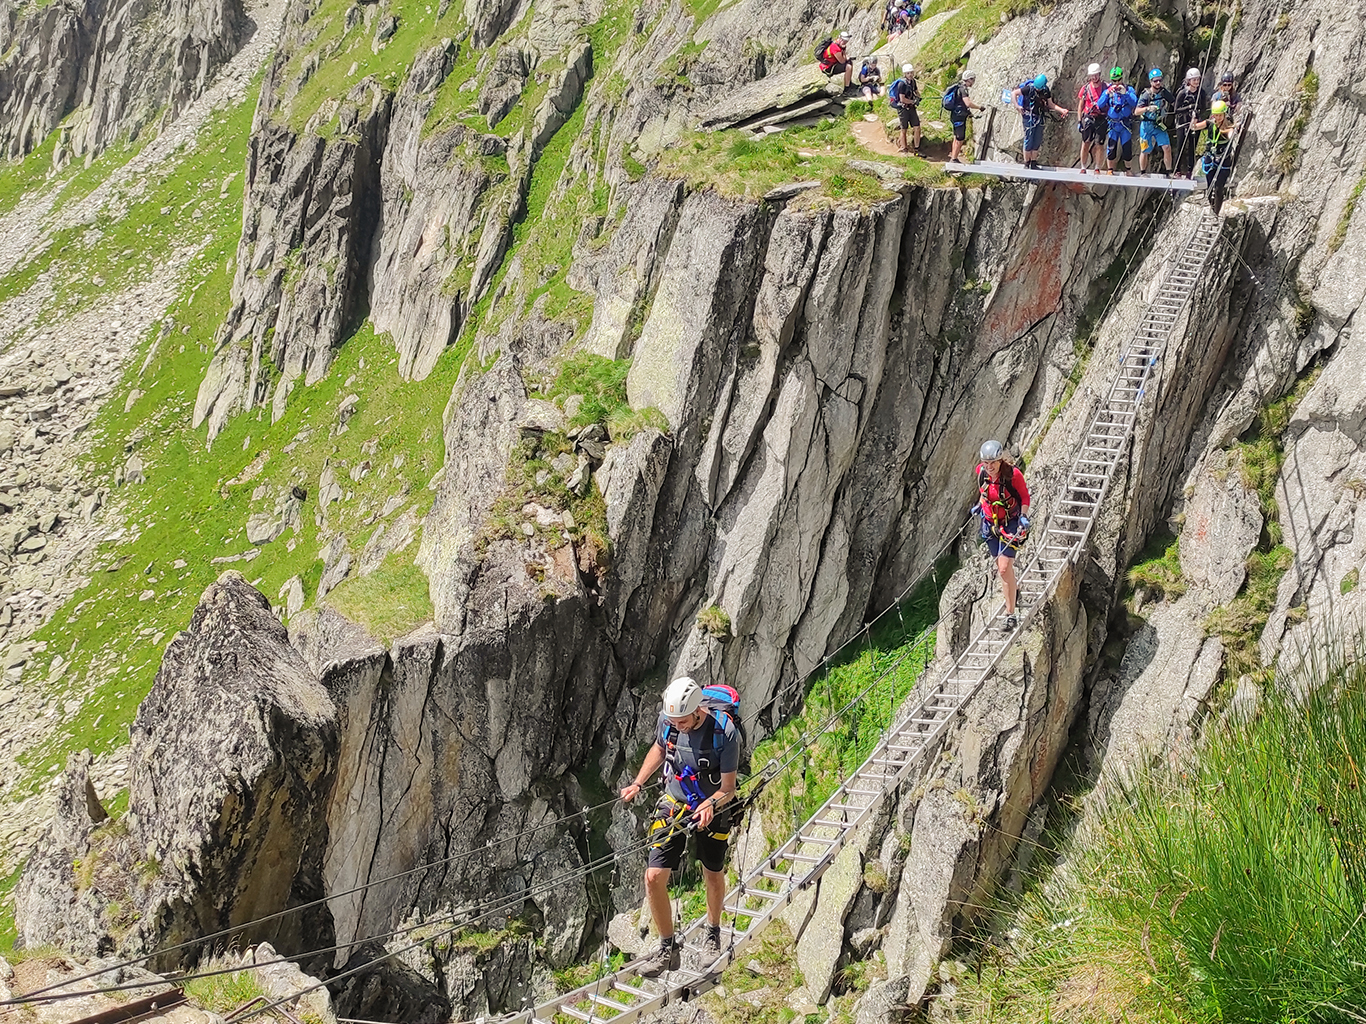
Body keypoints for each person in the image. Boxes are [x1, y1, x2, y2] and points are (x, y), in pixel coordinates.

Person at [621, 676, 740, 977]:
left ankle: (712, 934)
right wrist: (638, 783)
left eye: (684, 721)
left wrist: (711, 804)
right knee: (653, 877)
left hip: (713, 805)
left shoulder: (723, 733)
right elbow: (659, 749)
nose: (679, 726)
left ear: (698, 709)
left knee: (712, 873)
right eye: (675, 720)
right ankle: (667, 949)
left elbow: (729, 788)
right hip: (674, 801)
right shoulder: (669, 722)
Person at [975, 441, 1031, 631]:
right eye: (985, 463)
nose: (989, 467)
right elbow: (985, 491)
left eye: (993, 463)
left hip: (1011, 522)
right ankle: (1013, 589)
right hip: (990, 525)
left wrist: (1023, 516)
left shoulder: (1012, 475)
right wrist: (979, 504)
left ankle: (1010, 614)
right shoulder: (981, 472)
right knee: (1002, 566)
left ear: (1000, 461)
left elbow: (1024, 496)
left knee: (1003, 567)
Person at [1011, 73, 1069, 169]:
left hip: (1039, 117)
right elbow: (1014, 93)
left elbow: (1051, 104)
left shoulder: (1045, 91)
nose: (1037, 89)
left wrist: (1061, 110)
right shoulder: (1029, 88)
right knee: (1028, 140)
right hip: (1028, 117)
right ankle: (1026, 163)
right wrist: (1017, 106)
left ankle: (1033, 162)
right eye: (1037, 88)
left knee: (1037, 140)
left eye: (1039, 88)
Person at [1192, 99, 1236, 214]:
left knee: (1218, 188)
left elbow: (1230, 133)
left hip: (1223, 160)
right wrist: (1194, 118)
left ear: (1224, 114)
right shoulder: (1210, 123)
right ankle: (1213, 209)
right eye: (1216, 115)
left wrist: (1231, 132)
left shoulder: (1228, 125)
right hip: (1210, 158)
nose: (1218, 117)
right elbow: (1194, 127)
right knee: (1210, 188)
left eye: (1220, 115)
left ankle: (1217, 212)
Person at [1096, 66, 1138, 174]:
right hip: (1113, 125)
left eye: (1118, 80)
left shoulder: (1129, 89)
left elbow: (1135, 102)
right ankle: (1110, 169)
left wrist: (1126, 94)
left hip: (1125, 124)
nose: (1116, 83)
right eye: (1114, 81)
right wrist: (1106, 94)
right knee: (1111, 147)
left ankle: (1128, 169)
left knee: (1127, 148)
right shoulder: (1108, 90)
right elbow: (1099, 105)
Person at [1135, 67, 1175, 174]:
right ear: (1151, 81)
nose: (1158, 83)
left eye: (1159, 80)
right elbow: (1136, 111)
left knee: (1166, 147)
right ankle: (1143, 172)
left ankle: (1169, 171)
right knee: (1145, 150)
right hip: (1146, 125)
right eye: (1155, 81)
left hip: (1158, 124)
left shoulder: (1163, 92)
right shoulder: (1146, 95)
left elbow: (1174, 102)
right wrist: (1147, 108)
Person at [1172, 68, 1210, 178]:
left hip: (1194, 123)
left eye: (1198, 79)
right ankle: (1177, 170)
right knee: (1181, 147)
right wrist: (1189, 107)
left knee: (1192, 147)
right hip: (1182, 123)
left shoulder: (1201, 93)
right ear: (1189, 80)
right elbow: (1176, 110)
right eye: (1194, 80)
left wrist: (1197, 114)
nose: (1196, 82)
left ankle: (1190, 170)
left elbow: (1203, 107)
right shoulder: (1182, 93)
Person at [945, 69, 984, 163]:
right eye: (973, 80)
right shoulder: (963, 89)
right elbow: (968, 103)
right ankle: (954, 159)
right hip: (959, 117)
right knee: (960, 138)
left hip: (955, 115)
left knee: (956, 137)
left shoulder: (959, 86)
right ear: (968, 79)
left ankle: (953, 157)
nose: (973, 82)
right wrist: (979, 107)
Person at [1076, 63, 1106, 172]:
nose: (1094, 77)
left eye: (1096, 75)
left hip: (1101, 118)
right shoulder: (1085, 89)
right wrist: (1079, 121)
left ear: (1099, 74)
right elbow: (1081, 106)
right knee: (1086, 142)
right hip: (1088, 117)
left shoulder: (1105, 87)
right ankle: (1083, 166)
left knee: (1099, 143)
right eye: (1092, 75)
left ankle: (1097, 167)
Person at [889, 63, 922, 153]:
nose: (910, 75)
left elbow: (916, 91)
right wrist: (913, 101)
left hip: (911, 108)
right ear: (905, 74)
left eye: (911, 72)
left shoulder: (913, 82)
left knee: (917, 127)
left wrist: (919, 97)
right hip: (903, 109)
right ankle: (904, 148)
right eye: (908, 73)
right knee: (904, 129)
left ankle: (917, 148)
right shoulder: (901, 84)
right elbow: (902, 99)